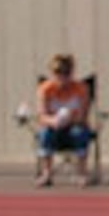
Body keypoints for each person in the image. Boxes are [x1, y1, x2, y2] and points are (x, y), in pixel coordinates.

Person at [34, 53, 94, 188]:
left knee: (79, 133)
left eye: (66, 73)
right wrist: (53, 121)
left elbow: (82, 115)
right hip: (53, 127)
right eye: (58, 72)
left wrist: (69, 120)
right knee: (45, 134)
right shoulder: (45, 89)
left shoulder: (81, 89)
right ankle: (47, 174)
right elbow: (41, 115)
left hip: (74, 125)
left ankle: (82, 173)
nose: (62, 76)